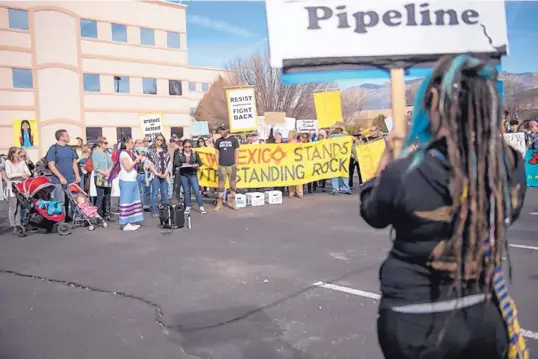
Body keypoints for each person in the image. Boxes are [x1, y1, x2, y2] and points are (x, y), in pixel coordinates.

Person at [360, 55, 528, 359]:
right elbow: (508, 213)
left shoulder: (406, 172)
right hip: (483, 315)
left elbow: (372, 212)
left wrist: (387, 159)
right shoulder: (510, 163)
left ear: (434, 98)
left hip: (415, 321)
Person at [109, 137, 144, 231]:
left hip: (132, 180)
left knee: (132, 201)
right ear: (126, 144)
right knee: (126, 201)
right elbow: (128, 167)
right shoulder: (123, 154)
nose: (133, 144)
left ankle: (130, 221)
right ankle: (124, 223)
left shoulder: (131, 153)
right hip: (126, 180)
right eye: (131, 142)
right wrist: (137, 160)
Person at [46, 129, 80, 209]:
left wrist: (77, 175)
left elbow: (74, 163)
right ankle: (60, 220)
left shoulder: (71, 149)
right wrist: (60, 177)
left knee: (74, 201)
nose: (69, 137)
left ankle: (73, 218)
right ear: (61, 137)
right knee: (60, 202)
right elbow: (51, 165)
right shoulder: (53, 148)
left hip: (71, 179)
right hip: (58, 181)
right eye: (67, 136)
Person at [173, 139, 206, 214]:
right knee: (186, 191)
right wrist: (182, 165)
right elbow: (176, 163)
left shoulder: (194, 153)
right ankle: (188, 206)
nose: (187, 148)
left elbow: (200, 163)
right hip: (183, 173)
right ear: (183, 146)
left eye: (189, 146)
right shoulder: (180, 153)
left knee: (196, 190)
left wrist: (196, 165)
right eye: (186, 147)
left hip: (192, 173)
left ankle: (200, 206)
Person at [214, 124, 240, 210]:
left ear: (227, 130)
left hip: (231, 166)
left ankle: (233, 203)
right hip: (222, 166)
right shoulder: (218, 141)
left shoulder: (234, 140)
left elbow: (236, 152)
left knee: (232, 184)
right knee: (221, 185)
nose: (221, 132)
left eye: (223, 130)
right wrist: (218, 164)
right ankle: (219, 203)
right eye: (220, 130)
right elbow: (217, 153)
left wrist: (236, 164)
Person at [4, 147, 30, 231]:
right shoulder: (8, 162)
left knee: (19, 206)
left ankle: (18, 223)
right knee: (13, 207)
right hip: (12, 186)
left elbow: (28, 173)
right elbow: (9, 175)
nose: (20, 155)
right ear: (13, 154)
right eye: (18, 153)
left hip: (21, 186)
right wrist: (20, 174)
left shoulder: (22, 162)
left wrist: (23, 175)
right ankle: (12, 224)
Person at [147, 134, 170, 217]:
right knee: (155, 193)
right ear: (155, 140)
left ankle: (166, 209)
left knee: (164, 192)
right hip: (155, 175)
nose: (159, 141)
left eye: (161, 140)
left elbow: (168, 163)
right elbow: (149, 164)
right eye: (158, 139)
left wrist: (166, 173)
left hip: (164, 175)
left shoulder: (165, 151)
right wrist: (157, 173)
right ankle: (154, 210)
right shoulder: (150, 151)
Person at [91, 136, 113, 221]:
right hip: (100, 176)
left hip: (107, 176)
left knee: (107, 195)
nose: (107, 144)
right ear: (100, 144)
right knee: (100, 196)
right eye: (105, 143)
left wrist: (109, 171)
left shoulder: (107, 153)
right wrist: (104, 173)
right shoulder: (96, 154)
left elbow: (111, 163)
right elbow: (96, 167)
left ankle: (107, 213)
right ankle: (98, 214)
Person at [329, 125, 351, 195]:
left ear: (341, 130)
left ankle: (345, 188)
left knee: (344, 173)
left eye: (338, 129)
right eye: (336, 129)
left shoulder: (345, 137)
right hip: (334, 158)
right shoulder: (331, 137)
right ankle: (335, 189)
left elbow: (353, 140)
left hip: (343, 158)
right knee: (335, 173)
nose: (337, 130)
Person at [134, 139, 151, 211]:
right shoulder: (133, 153)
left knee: (147, 190)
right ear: (135, 144)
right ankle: (137, 206)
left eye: (142, 143)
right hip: (137, 174)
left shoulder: (147, 152)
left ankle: (146, 205)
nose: (141, 144)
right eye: (139, 143)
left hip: (145, 173)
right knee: (136, 190)